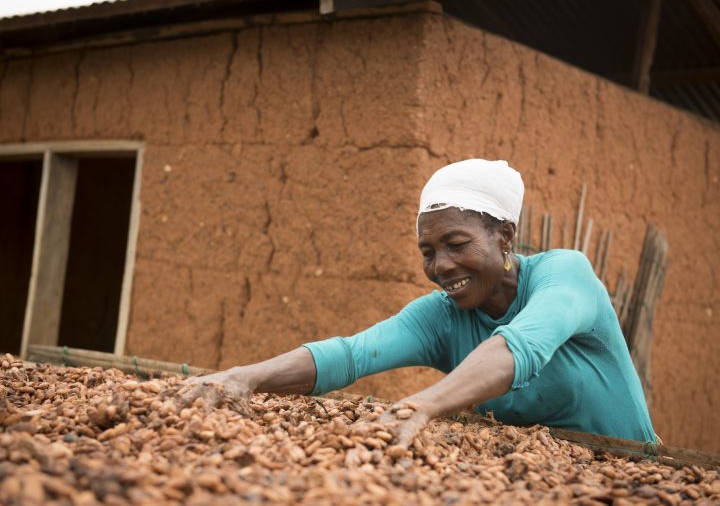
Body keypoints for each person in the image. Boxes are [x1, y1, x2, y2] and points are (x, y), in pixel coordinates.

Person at [184, 159, 656, 446]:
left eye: (456, 243)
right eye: (428, 252)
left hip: (634, 474)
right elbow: (348, 355)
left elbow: (521, 346)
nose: (441, 266)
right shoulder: (441, 317)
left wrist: (418, 407)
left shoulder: (564, 274)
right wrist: (243, 378)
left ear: (505, 236)